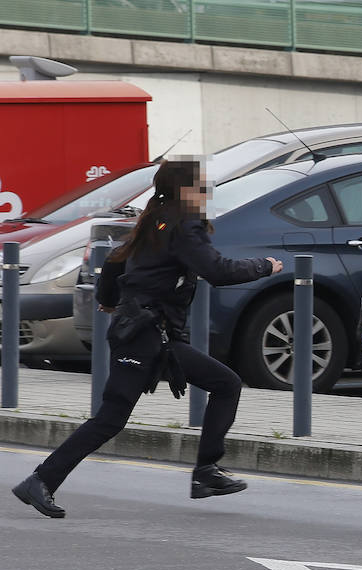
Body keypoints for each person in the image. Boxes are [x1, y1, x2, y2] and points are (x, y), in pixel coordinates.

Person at [11, 159, 283, 518]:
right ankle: (42, 480)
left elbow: (114, 262)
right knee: (114, 418)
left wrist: (109, 302)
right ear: (183, 191)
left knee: (222, 384)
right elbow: (216, 270)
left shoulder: (154, 220)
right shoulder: (183, 224)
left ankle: (205, 473)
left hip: (151, 335)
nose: (207, 193)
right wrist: (265, 265)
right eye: (201, 187)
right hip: (146, 337)